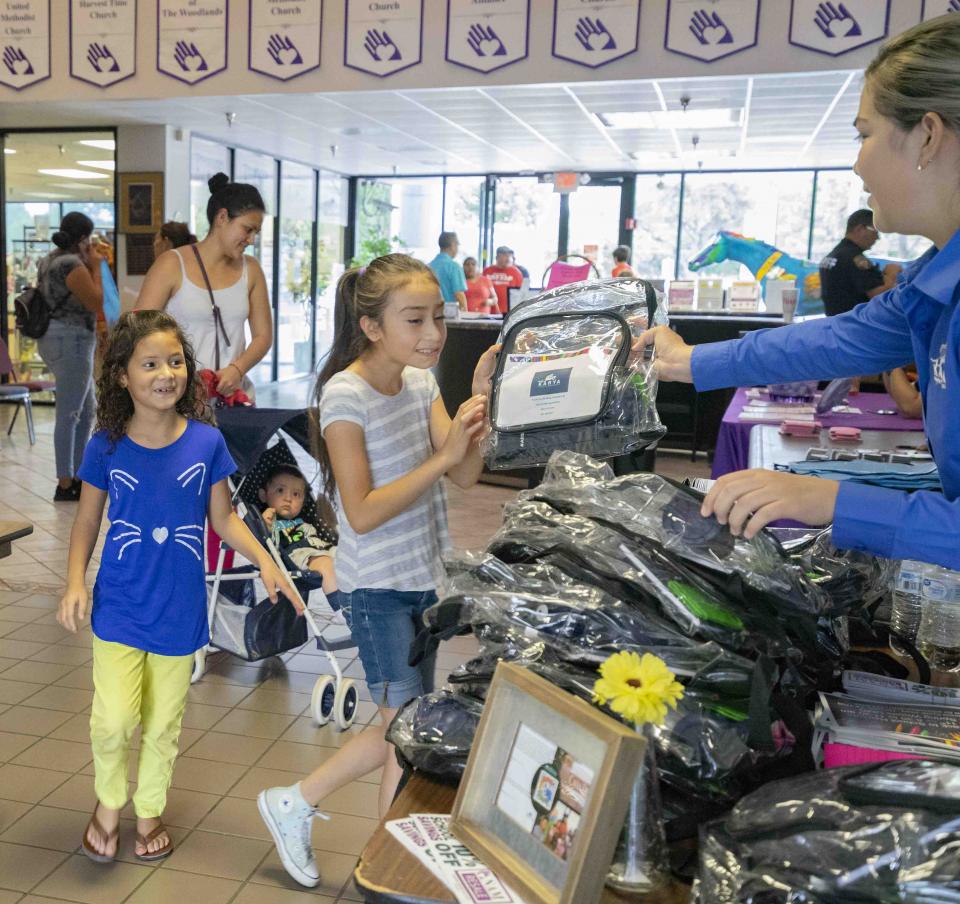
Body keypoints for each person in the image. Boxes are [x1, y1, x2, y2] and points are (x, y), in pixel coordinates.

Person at [640, 12, 960, 572]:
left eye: (865, 135)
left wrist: (829, 500)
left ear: (928, 136)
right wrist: (690, 360)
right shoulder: (934, 282)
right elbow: (840, 340)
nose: (857, 161)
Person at [257, 253, 499, 888]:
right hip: (376, 589)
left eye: (438, 318)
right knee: (404, 725)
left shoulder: (420, 384)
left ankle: (380, 850)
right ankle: (306, 807)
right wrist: (443, 453)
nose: (433, 334)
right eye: (415, 320)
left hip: (423, 577)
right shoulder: (345, 395)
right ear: (370, 326)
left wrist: (482, 406)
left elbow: (466, 474)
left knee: (407, 727)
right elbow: (360, 513)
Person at [57, 310, 296, 864]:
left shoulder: (206, 442)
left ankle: (150, 808)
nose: (167, 373)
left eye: (175, 361)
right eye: (150, 364)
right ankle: (108, 803)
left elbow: (224, 518)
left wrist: (266, 559)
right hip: (119, 606)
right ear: (122, 376)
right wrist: (75, 582)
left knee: (164, 722)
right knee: (114, 719)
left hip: (179, 610)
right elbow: (88, 522)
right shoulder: (106, 446)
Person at [136, 173, 273, 401]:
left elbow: (263, 336)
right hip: (179, 399)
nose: (251, 240)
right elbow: (139, 333)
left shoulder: (252, 269)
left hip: (232, 398)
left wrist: (237, 369)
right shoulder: (172, 264)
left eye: (256, 232)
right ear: (222, 218)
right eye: (247, 229)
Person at [36, 212, 103, 502]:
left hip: (54, 340)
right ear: (83, 239)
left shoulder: (50, 259)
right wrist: (97, 267)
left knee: (87, 410)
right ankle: (65, 482)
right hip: (72, 342)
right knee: (70, 413)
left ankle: (77, 474)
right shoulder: (72, 265)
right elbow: (95, 301)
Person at [259, 462, 337, 594]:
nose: (288, 498)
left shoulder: (304, 520)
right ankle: (341, 610)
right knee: (327, 565)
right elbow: (261, 545)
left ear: (304, 501)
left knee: (347, 558)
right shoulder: (266, 520)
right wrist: (265, 526)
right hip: (296, 555)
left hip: (321, 546)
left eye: (296, 494)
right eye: (280, 490)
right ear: (263, 495)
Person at [819, 209, 901, 316]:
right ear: (859, 229)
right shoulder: (855, 258)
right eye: (875, 231)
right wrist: (892, 273)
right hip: (853, 324)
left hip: (835, 321)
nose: (877, 238)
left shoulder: (834, 255)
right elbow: (878, 295)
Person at [428, 231, 467, 311]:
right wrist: (465, 314)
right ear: (453, 245)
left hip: (431, 313)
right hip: (449, 315)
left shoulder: (428, 267)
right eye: (457, 245)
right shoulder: (454, 266)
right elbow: (459, 294)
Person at [483, 245, 523, 314]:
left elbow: (521, 294)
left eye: (509, 256)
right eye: (504, 255)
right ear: (497, 257)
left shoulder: (516, 273)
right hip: (488, 312)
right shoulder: (487, 271)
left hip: (509, 313)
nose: (508, 258)